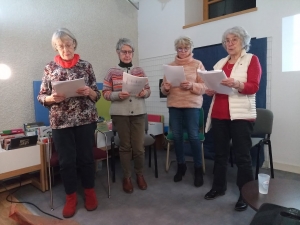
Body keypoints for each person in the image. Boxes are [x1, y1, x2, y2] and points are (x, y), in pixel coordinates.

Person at [37, 28, 101, 218]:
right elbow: (41, 96)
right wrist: (51, 98)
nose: (65, 48)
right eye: (61, 46)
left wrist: (89, 92)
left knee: (86, 158)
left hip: (85, 119)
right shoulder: (49, 68)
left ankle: (89, 192)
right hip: (60, 122)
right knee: (66, 162)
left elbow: (96, 95)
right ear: (56, 48)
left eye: (68, 44)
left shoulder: (86, 66)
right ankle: (71, 197)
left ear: (74, 43)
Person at [204, 26, 262, 211]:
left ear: (243, 41)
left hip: (241, 115)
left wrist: (237, 83)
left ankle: (246, 195)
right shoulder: (220, 63)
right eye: (227, 40)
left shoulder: (252, 59)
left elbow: (253, 87)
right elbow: (214, 87)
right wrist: (210, 90)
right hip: (219, 114)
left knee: (242, 157)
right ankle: (219, 187)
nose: (229, 43)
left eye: (234, 39)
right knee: (220, 154)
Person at [102, 38, 151, 194]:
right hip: (120, 114)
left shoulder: (140, 71)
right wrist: (117, 95)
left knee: (138, 147)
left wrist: (144, 93)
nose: (127, 54)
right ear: (118, 53)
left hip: (138, 112)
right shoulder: (111, 72)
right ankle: (127, 177)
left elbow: (148, 90)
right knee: (125, 147)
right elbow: (105, 93)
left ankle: (139, 174)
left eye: (130, 52)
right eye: (124, 52)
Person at [161, 36, 206, 187]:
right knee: (177, 136)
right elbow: (164, 89)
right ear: (176, 49)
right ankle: (181, 166)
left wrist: (192, 85)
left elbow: (204, 86)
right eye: (180, 48)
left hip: (192, 105)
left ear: (190, 49)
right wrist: (166, 88)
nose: (182, 51)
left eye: (185, 48)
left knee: (194, 137)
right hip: (174, 105)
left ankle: (198, 169)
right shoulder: (170, 66)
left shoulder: (197, 64)